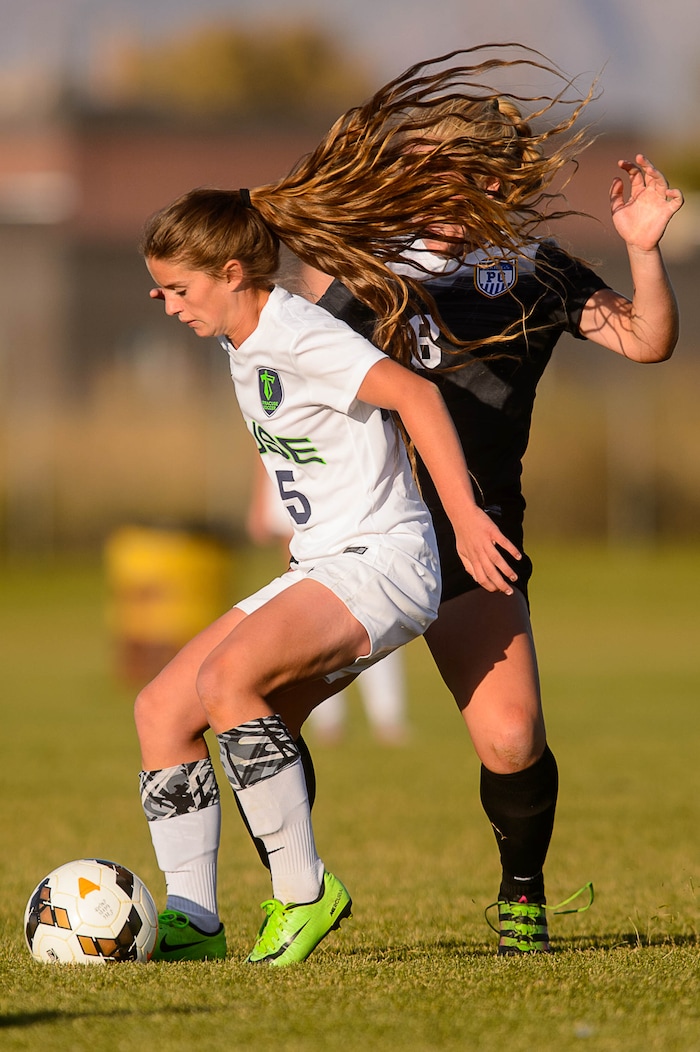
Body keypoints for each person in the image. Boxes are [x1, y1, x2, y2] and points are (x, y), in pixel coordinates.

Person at [307, 67, 683, 953]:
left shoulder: (536, 272)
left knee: (513, 738)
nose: (452, 196)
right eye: (436, 176)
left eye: (475, 177)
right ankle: (265, 898)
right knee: (257, 718)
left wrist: (644, 248)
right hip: (360, 541)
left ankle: (523, 897)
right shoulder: (367, 273)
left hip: (474, 543)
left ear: (504, 185)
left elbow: (649, 341)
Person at [136, 171, 525, 965]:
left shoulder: (296, 331)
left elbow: (416, 396)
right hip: (324, 561)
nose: (169, 305)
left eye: (178, 289)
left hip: (383, 561)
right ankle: (194, 917)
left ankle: (305, 893)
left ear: (233, 275)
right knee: (161, 711)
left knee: (227, 684)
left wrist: (464, 515)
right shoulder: (241, 334)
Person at [246, 458, 411, 745]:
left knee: (372, 599)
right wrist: (261, 496)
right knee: (302, 598)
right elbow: (266, 431)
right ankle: (328, 720)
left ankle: (388, 715)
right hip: (291, 473)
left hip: (339, 469)